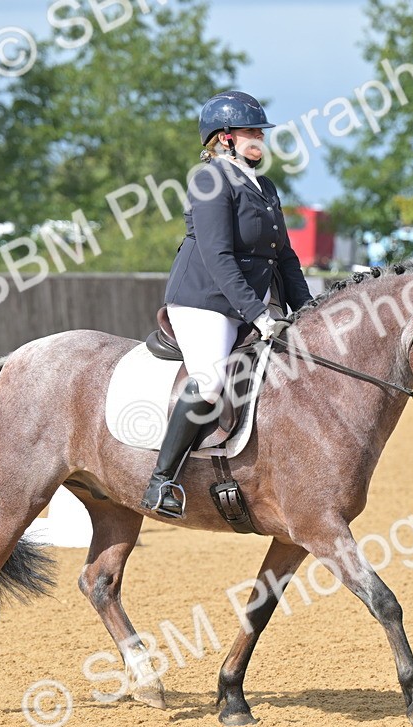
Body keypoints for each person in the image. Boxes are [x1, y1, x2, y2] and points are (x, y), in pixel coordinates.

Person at [141, 90, 314, 518]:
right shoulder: (210, 180)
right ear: (224, 138)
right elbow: (218, 256)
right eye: (250, 130)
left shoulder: (265, 186)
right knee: (211, 380)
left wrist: (310, 311)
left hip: (247, 302)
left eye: (259, 130)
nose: (259, 137)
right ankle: (161, 481)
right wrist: (257, 313)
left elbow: (285, 257)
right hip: (206, 301)